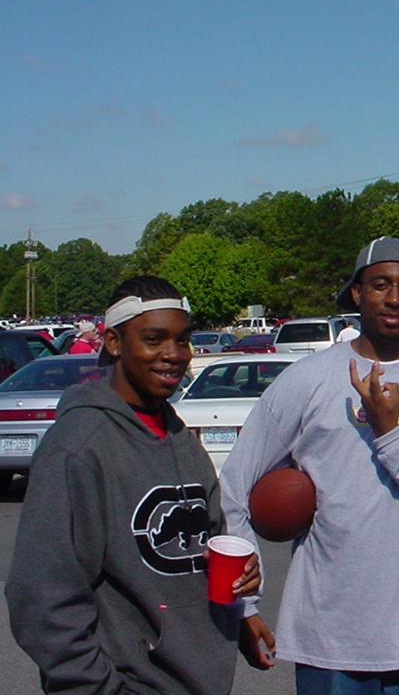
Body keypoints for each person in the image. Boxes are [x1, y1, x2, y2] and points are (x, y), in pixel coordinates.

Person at [219, 236, 399, 695]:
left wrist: (393, 438)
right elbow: (234, 486)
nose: (394, 298)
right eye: (380, 284)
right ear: (356, 292)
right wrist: (244, 604)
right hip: (330, 632)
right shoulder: (306, 379)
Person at [6, 275, 261, 695]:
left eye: (183, 340)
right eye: (154, 339)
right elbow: (41, 596)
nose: (174, 354)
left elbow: (205, 546)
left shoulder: (181, 439)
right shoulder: (78, 446)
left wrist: (241, 586)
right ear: (113, 342)